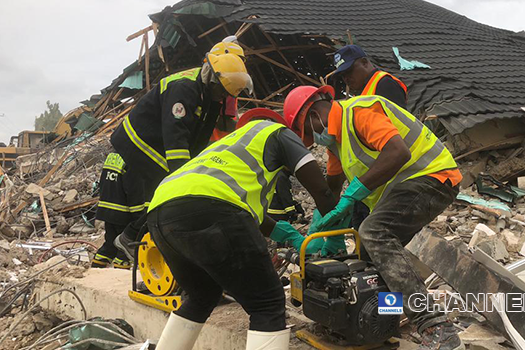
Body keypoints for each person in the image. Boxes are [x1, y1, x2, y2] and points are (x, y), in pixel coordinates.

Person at [282, 85, 465, 350]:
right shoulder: (336, 144)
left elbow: (398, 152)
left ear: (312, 116)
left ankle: (436, 326)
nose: (314, 138)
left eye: (309, 132)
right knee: (367, 258)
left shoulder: (359, 111)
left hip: (433, 176)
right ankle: (379, 324)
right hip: (406, 188)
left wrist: (353, 194)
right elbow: (331, 189)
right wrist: (321, 230)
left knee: (374, 232)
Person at [146, 111, 339, 349]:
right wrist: (336, 236)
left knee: (201, 296)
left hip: (160, 210)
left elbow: (239, 208)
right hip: (212, 207)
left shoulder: (226, 149)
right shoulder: (280, 133)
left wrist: (287, 235)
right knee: (267, 303)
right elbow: (323, 191)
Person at [110, 52, 253, 260]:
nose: (223, 97)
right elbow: (175, 134)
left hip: (158, 141)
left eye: (226, 94)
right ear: (212, 79)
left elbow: (200, 135)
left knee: (170, 193)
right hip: (139, 140)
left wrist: (197, 167)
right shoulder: (183, 88)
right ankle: (131, 238)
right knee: (169, 192)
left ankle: (143, 238)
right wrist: (182, 176)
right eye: (221, 92)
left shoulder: (211, 93)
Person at [332, 44, 409, 230]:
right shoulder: (363, 94)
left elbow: (396, 135)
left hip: (389, 174)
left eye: (350, 71)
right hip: (373, 180)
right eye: (343, 75)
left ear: (365, 62)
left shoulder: (384, 84)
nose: (347, 78)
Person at [91, 152, 144, 269]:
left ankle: (96, 267)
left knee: (110, 244)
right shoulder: (132, 158)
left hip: (107, 209)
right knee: (125, 247)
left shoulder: (113, 155)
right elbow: (134, 190)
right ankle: (120, 271)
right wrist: (139, 215)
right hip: (123, 212)